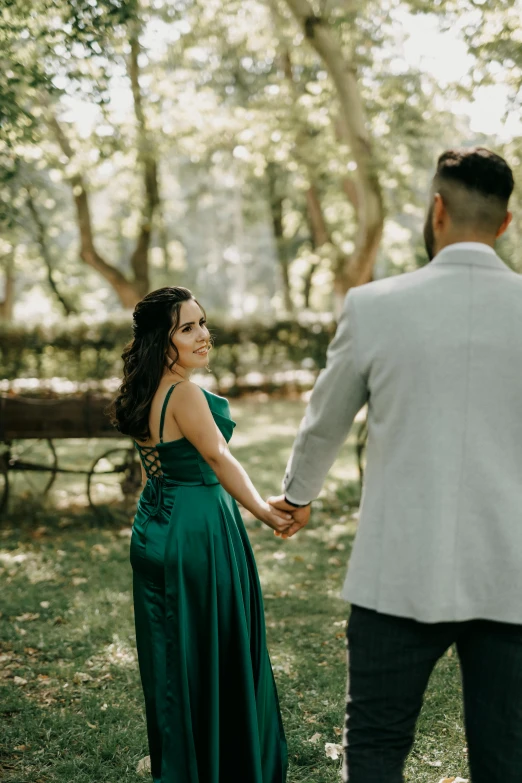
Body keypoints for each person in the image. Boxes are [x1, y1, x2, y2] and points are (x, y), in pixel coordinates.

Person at [269, 147, 522, 783]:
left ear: (436, 210)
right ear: (507, 222)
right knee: (509, 757)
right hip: (513, 570)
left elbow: (325, 421)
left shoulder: (374, 306)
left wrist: (298, 495)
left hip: (397, 571)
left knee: (377, 748)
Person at [109, 287, 289, 783]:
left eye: (202, 323)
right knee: (213, 649)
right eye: (187, 328)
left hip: (155, 527)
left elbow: (157, 468)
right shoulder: (183, 392)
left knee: (175, 660)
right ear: (159, 340)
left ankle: (188, 764)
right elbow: (217, 457)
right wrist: (265, 511)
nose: (203, 335)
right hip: (197, 534)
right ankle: (220, 765)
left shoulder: (145, 388)